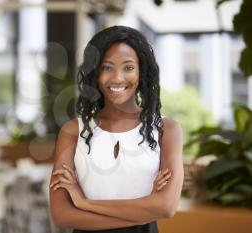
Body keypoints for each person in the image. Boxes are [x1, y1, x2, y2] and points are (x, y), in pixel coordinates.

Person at [49, 25, 183, 233]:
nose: (117, 78)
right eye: (107, 67)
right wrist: (146, 207)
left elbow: (166, 207)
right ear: (95, 72)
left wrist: (84, 204)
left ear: (142, 71)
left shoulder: (167, 130)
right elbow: (62, 214)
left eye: (128, 68)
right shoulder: (72, 132)